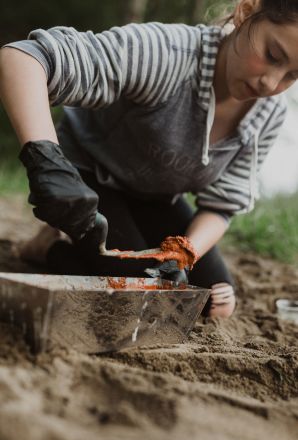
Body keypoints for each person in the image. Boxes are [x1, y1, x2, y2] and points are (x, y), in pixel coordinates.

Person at [0, 0, 297, 318]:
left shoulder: (269, 113)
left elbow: (220, 206)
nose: (270, 84)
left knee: (211, 301)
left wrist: (184, 252)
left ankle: (89, 250)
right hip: (91, 180)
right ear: (246, 12)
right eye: (272, 55)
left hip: (157, 197)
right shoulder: (168, 52)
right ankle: (48, 248)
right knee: (142, 289)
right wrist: (46, 159)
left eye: (292, 75)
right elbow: (22, 58)